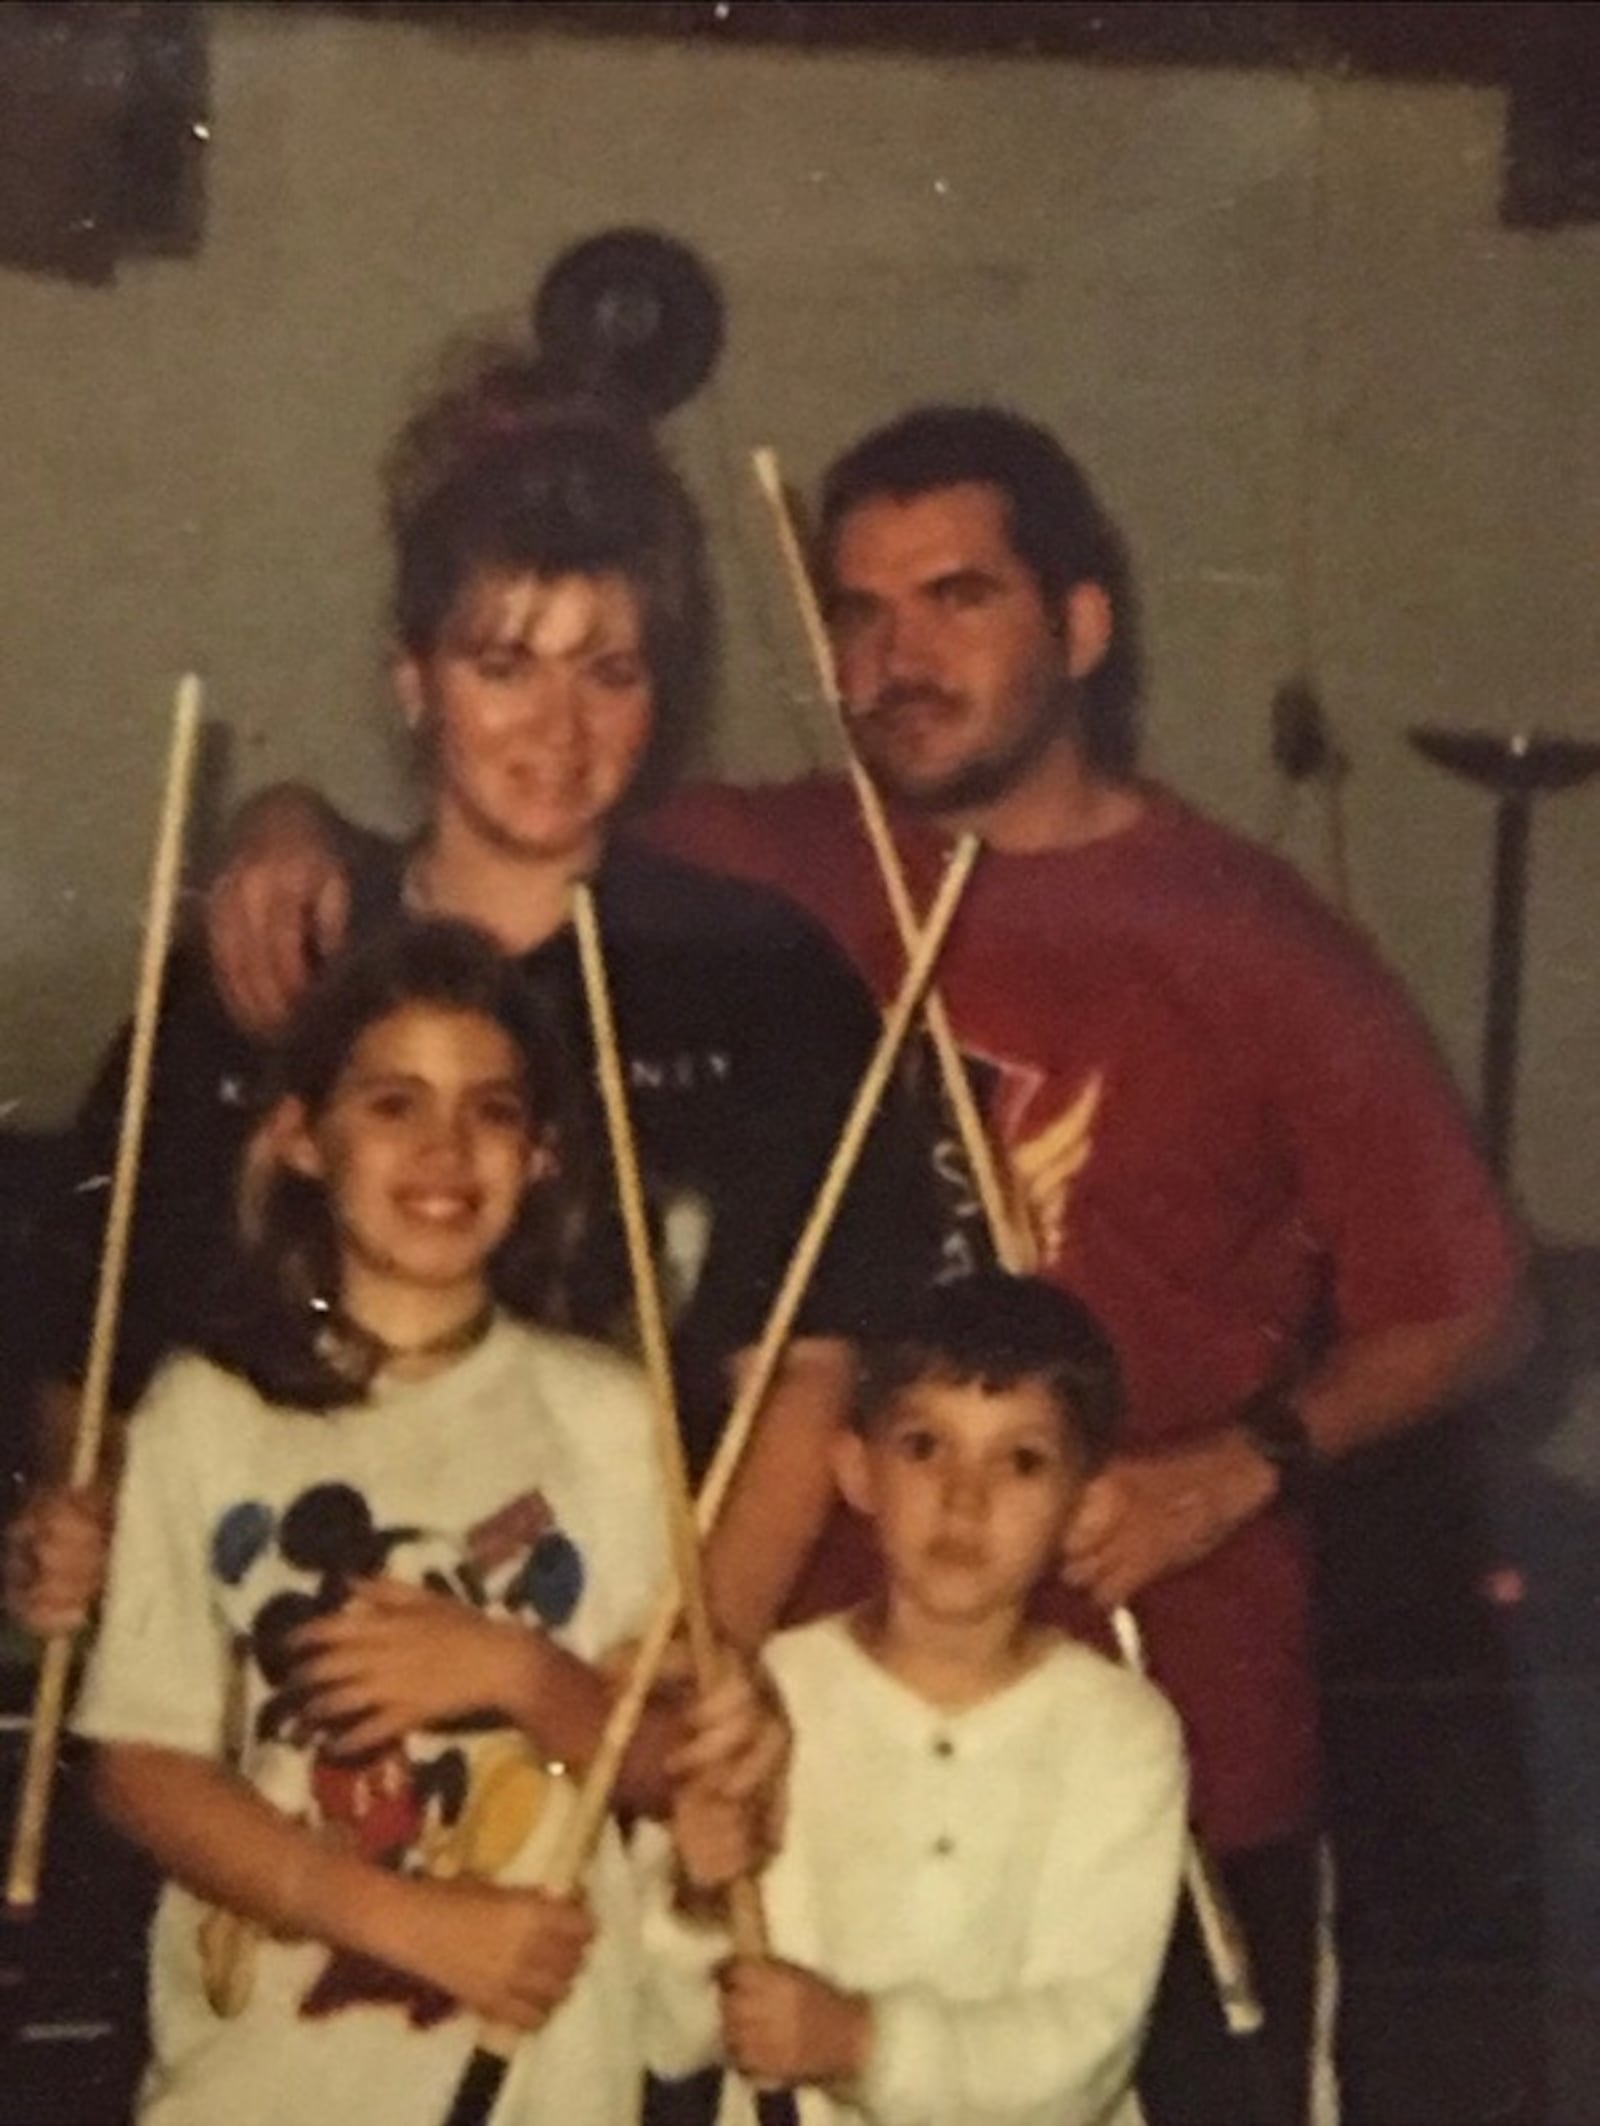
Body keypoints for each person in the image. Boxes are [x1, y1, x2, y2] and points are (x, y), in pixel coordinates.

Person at [183, 402, 1527, 2124]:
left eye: (957, 597)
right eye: (861, 611)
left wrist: (1233, 1471)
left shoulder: (1257, 938)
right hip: (815, 1739)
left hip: (1158, 1720)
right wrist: (282, 822)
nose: (899, 656)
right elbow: (508, 796)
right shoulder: (777, 866)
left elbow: (1482, 1303)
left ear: (1085, 626)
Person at [5, 390, 938, 1662]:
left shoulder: (760, 980)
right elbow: (94, 1347)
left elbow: (808, 1368)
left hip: (604, 1675)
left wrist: (673, 1664)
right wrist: (91, 1523)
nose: (558, 729)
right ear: (413, 680)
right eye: (504, 666)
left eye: (609, 672)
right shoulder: (274, 959)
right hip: (268, 1695)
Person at [71, 918, 786, 2126]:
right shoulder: (204, 1407)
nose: (446, 1148)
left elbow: (668, 1761)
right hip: (262, 2069)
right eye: (394, 1102)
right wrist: (399, 1920)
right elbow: (142, 1767)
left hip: (537, 2065)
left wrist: (514, 1670)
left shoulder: (609, 1411)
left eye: (493, 1109)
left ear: (544, 1152)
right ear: (301, 1135)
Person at [640, 1272, 1186, 2126]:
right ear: (857, 1470)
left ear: (1081, 1504)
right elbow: (668, 2039)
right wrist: (699, 1897)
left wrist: (860, 2043)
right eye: (926, 1447)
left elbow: (1088, 2048)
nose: (965, 1498)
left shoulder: (1120, 1733)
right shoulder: (770, 1697)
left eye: (1022, 1461)